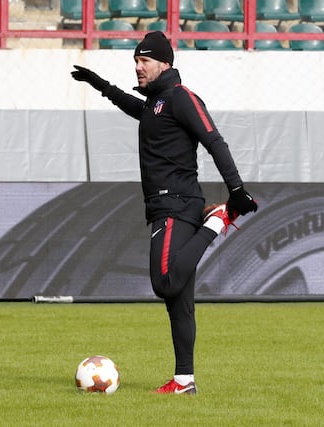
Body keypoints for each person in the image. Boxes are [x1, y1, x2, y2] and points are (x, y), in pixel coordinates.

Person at [71, 31, 257, 394]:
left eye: (144, 61)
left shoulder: (181, 98)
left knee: (165, 282)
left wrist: (235, 192)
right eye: (136, 61)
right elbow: (135, 107)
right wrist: (100, 85)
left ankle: (216, 221)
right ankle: (184, 381)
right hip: (168, 205)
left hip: (177, 204)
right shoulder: (156, 104)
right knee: (179, 300)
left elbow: (213, 139)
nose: (138, 67)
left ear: (164, 63)